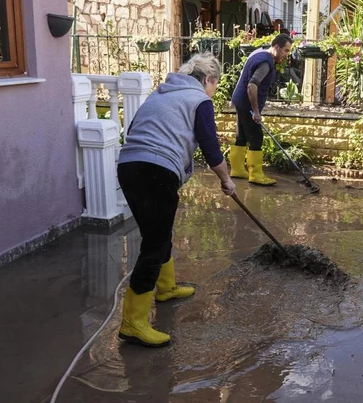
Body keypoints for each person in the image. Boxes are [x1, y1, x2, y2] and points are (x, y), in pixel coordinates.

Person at [116, 52, 235, 347]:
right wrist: (227, 180)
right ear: (208, 79)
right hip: (155, 170)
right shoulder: (199, 100)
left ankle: (166, 287)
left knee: (156, 233)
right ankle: (133, 322)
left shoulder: (163, 93)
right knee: (154, 244)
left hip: (129, 167)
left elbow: (133, 130)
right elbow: (211, 148)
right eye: (215, 85)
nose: (213, 92)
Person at [229, 34, 293, 186]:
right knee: (256, 138)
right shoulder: (265, 63)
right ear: (276, 47)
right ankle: (256, 175)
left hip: (239, 100)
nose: (286, 54)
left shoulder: (258, 52)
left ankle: (237, 170)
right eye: (285, 50)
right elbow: (252, 85)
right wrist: (256, 111)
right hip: (247, 103)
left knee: (242, 136)